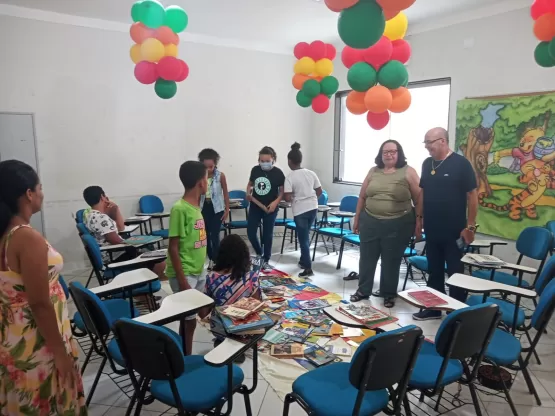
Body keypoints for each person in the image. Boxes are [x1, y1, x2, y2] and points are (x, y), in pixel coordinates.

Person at [0, 160, 87, 414]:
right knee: (48, 401)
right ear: (29, 193)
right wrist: (60, 353)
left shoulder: (5, 234)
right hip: (38, 342)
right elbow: (38, 302)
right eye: (40, 187)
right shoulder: (25, 237)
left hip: (13, 336)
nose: (42, 193)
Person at [413, 127, 478, 321]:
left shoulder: (461, 164)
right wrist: (418, 219)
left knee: (455, 272)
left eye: (429, 142)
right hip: (432, 229)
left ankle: (456, 312)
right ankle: (434, 308)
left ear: (442, 141)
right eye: (425, 143)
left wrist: (471, 226)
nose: (426, 147)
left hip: (454, 231)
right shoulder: (427, 164)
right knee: (435, 271)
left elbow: (473, 196)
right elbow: (423, 192)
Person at [350, 140, 421, 308]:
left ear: (399, 153)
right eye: (385, 152)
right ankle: (363, 290)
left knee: (391, 260)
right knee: (367, 258)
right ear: (380, 154)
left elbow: (419, 199)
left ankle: (388, 293)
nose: (388, 154)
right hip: (370, 221)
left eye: (392, 151)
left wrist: (419, 221)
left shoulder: (408, 172)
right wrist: (357, 217)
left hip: (399, 223)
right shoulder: (373, 171)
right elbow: (362, 197)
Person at [166, 161, 208, 355]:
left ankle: (219, 341)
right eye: (206, 178)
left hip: (199, 269)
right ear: (201, 182)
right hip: (185, 273)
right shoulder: (179, 208)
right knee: (188, 319)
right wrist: (183, 282)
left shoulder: (196, 206)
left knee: (201, 311)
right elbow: (173, 248)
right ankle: (186, 356)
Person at [199, 234, 261, 363]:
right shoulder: (251, 277)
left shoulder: (211, 277)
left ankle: (222, 340)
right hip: (244, 330)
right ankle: (238, 345)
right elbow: (257, 306)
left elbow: (203, 313)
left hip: (219, 328)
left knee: (218, 315)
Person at [82, 186, 166, 280]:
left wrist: (116, 209)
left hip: (107, 255)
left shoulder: (88, 215)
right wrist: (134, 242)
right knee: (158, 258)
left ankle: (144, 289)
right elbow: (114, 240)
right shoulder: (101, 218)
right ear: (102, 197)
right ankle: (146, 286)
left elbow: (120, 228)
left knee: (147, 250)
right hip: (113, 256)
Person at [284, 142, 323, 277]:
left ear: (289, 161)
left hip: (300, 210)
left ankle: (308, 268)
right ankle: (303, 260)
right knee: (306, 235)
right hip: (313, 208)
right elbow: (319, 191)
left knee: (303, 239)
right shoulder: (311, 173)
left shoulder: (290, 177)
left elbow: (288, 197)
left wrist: (291, 196)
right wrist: (311, 199)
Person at [246, 146, 285, 270]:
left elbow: (282, 192)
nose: (264, 163)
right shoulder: (255, 170)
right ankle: (259, 254)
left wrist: (275, 203)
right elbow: (250, 184)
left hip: (270, 208)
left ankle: (266, 259)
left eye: (267, 160)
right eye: (262, 161)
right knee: (251, 232)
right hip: (256, 206)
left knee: (267, 235)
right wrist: (248, 193)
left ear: (273, 159)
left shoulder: (278, 173)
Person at [198, 148, 230, 269]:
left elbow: (225, 193)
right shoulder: (199, 176)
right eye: (205, 167)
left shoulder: (220, 176)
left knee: (214, 235)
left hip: (217, 208)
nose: (208, 170)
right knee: (204, 235)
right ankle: (210, 258)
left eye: (211, 167)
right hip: (203, 207)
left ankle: (217, 261)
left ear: (215, 164)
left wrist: (227, 209)